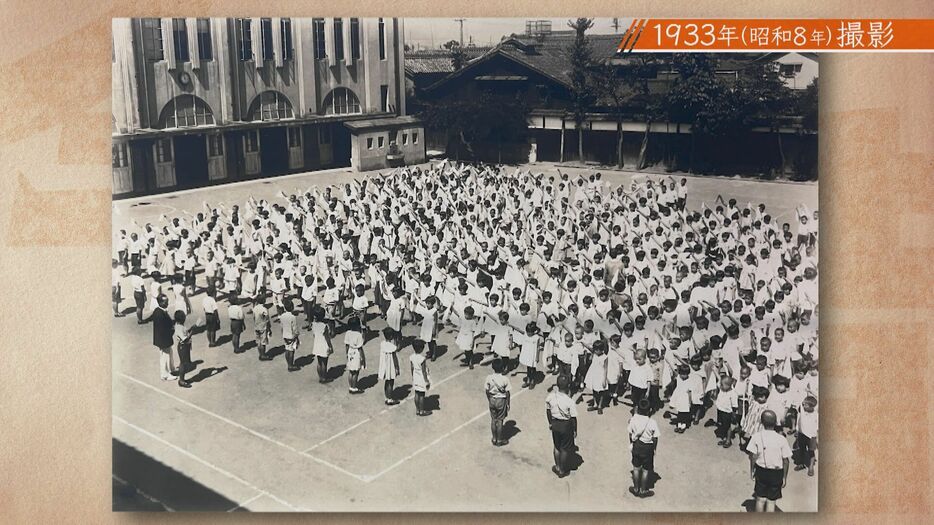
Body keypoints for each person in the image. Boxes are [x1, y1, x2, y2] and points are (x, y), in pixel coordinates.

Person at [745, 410, 793, 512]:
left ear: (761, 422)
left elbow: (752, 456)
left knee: (760, 499)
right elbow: (786, 461)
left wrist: (752, 471)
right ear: (776, 422)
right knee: (771, 501)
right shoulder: (781, 439)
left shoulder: (756, 436)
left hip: (761, 470)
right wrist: (784, 477)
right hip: (776, 473)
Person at [545, 373, 578, 478]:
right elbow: (573, 418)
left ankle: (558, 466)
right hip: (566, 426)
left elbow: (548, 410)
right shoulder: (570, 401)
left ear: (557, 385)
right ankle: (562, 470)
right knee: (564, 448)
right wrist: (575, 430)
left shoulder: (550, 396)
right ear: (568, 386)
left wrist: (550, 422)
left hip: (555, 424)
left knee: (556, 446)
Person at [628, 399, 660, 498]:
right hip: (648, 447)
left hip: (637, 445)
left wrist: (631, 443)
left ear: (638, 408)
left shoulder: (633, 419)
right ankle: (643, 490)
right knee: (646, 470)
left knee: (636, 468)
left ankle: (636, 488)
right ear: (649, 410)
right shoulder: (652, 422)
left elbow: (630, 433)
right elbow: (655, 438)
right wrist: (654, 449)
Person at [485, 358, 512, 446]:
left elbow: (487, 390)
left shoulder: (489, 378)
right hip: (501, 400)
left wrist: (489, 399)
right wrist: (508, 403)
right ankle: (499, 440)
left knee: (493, 419)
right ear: (503, 368)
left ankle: (494, 438)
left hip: (492, 399)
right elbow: (507, 393)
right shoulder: (505, 379)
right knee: (500, 421)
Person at [151, 295, 175, 381]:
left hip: (163, 338)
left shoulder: (159, 311)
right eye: (165, 302)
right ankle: (165, 374)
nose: (167, 303)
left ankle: (171, 369)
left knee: (169, 354)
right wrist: (171, 329)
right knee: (165, 356)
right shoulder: (159, 314)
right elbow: (163, 328)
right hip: (164, 339)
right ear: (160, 302)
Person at [794, 394, 818, 476]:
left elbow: (818, 427)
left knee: (811, 452)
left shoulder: (816, 415)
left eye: (806, 405)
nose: (803, 405)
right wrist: (797, 430)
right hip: (802, 434)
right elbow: (799, 420)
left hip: (812, 436)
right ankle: (801, 463)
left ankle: (811, 467)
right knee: (802, 450)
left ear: (812, 407)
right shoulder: (802, 411)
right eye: (803, 404)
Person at [310, 306, 334, 383]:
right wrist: (330, 346)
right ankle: (324, 377)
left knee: (319, 362)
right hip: (323, 345)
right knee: (324, 363)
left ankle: (320, 376)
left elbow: (314, 335)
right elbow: (327, 338)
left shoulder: (313, 324)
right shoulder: (324, 326)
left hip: (317, 344)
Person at [378, 327, 401, 405]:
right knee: (391, 382)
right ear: (391, 336)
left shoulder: (382, 344)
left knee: (387, 382)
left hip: (384, 366)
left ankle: (387, 397)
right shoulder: (392, 347)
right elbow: (395, 359)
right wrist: (397, 368)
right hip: (390, 367)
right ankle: (390, 399)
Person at [410, 339, 432, 416]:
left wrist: (413, 376)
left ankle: (417, 409)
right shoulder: (422, 358)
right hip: (421, 377)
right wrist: (426, 381)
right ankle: (422, 411)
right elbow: (423, 371)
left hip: (415, 376)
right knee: (422, 394)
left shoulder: (412, 357)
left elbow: (412, 368)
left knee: (416, 393)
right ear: (421, 349)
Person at [344, 317, 366, 394]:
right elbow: (360, 348)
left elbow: (346, 345)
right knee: (356, 372)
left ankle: (350, 386)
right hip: (356, 353)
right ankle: (354, 387)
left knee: (351, 371)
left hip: (350, 351)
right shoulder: (359, 335)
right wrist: (363, 358)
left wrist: (347, 353)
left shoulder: (347, 333)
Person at [173, 310, 193, 388]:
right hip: (183, 346)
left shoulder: (180, 326)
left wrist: (191, 329)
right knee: (183, 363)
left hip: (185, 346)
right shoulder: (179, 328)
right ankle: (181, 380)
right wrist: (192, 332)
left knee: (185, 363)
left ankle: (182, 379)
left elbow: (185, 332)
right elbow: (185, 339)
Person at [281, 299, 301, 372]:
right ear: (292, 307)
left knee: (287, 349)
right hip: (292, 336)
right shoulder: (293, 317)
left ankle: (288, 363)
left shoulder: (282, 316)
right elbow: (295, 328)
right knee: (292, 350)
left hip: (285, 335)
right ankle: (291, 365)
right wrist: (297, 335)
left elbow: (282, 326)